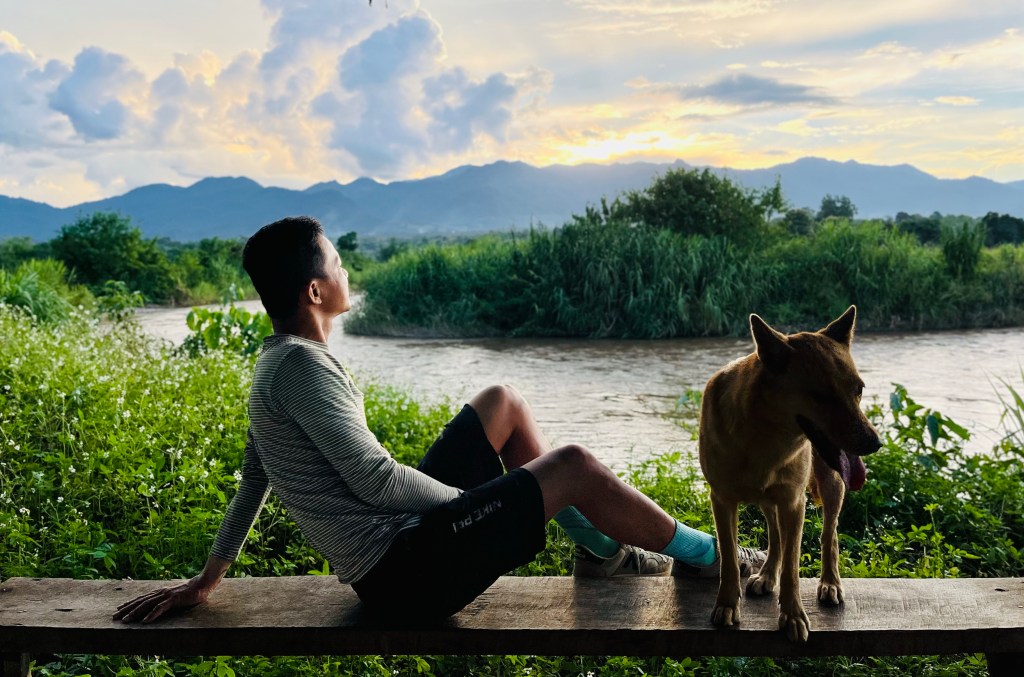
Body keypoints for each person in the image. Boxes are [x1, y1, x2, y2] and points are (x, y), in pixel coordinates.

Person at [114, 216, 764, 624]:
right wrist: (480, 503)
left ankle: (603, 552)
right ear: (315, 291)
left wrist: (208, 578)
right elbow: (374, 480)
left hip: (406, 544)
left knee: (502, 401)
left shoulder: (279, 362)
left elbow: (253, 478)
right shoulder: (300, 370)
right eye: (336, 263)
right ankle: (714, 557)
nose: (346, 269)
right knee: (570, 466)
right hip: (403, 577)